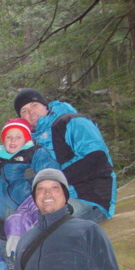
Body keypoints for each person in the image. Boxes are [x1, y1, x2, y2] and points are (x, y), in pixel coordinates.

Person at [13, 88, 117, 223]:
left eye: (34, 105)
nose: (31, 112)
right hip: (50, 199)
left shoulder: (71, 122)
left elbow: (96, 157)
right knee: (13, 222)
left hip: (88, 197)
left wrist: (52, 180)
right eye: (24, 111)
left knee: (45, 225)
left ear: (45, 106)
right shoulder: (29, 143)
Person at [0, 117, 60, 260]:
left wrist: (32, 180)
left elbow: (52, 176)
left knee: (36, 237)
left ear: (26, 140)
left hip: (33, 204)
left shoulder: (35, 153)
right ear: (3, 140)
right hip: (10, 207)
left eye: (18, 137)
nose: (13, 140)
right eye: (9, 137)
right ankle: (2, 266)